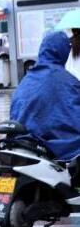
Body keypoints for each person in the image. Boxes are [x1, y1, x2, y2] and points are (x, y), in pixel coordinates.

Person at [11, 31, 80, 162]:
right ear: (63, 51)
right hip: (52, 144)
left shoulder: (27, 79)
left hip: (22, 139)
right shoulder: (67, 81)